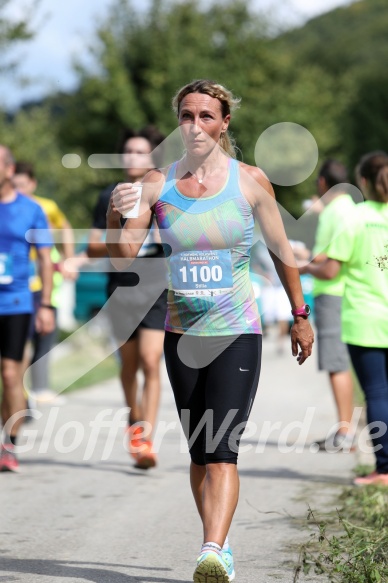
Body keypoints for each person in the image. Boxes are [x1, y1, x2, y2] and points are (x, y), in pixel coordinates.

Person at [106, 79, 314, 582]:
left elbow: (283, 251)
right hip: (182, 334)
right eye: (185, 116)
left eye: (205, 116)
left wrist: (300, 314)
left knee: (222, 448)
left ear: (223, 124)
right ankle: (218, 546)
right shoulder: (157, 183)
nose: (194, 125)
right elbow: (123, 257)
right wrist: (118, 212)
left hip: (237, 330)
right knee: (200, 452)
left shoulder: (250, 181)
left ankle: (212, 549)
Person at [300, 151, 388, 486]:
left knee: (377, 393)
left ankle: (384, 469)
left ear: (363, 181)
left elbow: (331, 267)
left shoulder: (357, 216)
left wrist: (304, 267)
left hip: (365, 318)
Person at [87, 126, 167, 470]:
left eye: (140, 151)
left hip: (156, 287)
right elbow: (92, 245)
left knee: (151, 361)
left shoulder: (164, 194)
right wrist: (115, 226)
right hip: (120, 289)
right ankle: (134, 421)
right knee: (129, 365)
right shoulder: (109, 195)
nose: (132, 157)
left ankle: (145, 438)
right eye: (128, 151)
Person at [0, 146, 55, 472]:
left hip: (16, 302)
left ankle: (9, 443)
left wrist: (45, 304)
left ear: (8, 170)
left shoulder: (31, 210)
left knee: (10, 375)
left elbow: (47, 260)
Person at [301, 160, 356, 451]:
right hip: (339, 292)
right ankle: (344, 429)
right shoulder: (347, 208)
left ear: (322, 182)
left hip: (334, 293)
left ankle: (345, 432)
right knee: (338, 362)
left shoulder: (337, 210)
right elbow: (329, 253)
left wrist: (304, 268)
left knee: (336, 363)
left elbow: (332, 263)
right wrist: (309, 258)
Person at [12, 162, 76, 404]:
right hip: (18, 282)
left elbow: (66, 227)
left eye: (22, 185)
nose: (18, 190)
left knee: (44, 334)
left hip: (46, 279)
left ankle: (38, 388)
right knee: (20, 339)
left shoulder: (45, 206)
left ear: (32, 183)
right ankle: (22, 391)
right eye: (14, 185)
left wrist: (69, 259)